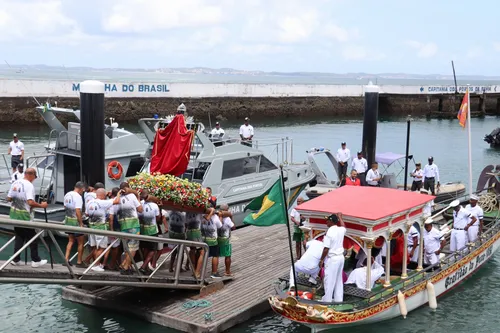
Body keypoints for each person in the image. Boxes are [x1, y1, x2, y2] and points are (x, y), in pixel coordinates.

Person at [7, 168, 48, 267]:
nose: (35, 179)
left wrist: (17, 199)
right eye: (35, 176)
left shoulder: (15, 183)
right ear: (31, 175)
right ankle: (36, 260)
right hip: (24, 215)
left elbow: (8, 198)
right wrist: (41, 206)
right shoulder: (29, 185)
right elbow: (30, 202)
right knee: (32, 237)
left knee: (19, 236)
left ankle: (16, 259)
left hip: (14, 214)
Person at [85, 188, 120, 272]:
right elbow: (116, 201)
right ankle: (97, 265)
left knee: (95, 247)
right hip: (100, 227)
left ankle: (93, 263)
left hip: (92, 227)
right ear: (103, 195)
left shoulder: (90, 202)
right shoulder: (102, 202)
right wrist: (119, 193)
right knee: (101, 248)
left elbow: (86, 213)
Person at [116, 182, 143, 275]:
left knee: (127, 248)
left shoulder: (118, 198)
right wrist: (138, 199)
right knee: (133, 248)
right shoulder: (132, 196)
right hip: (133, 225)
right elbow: (140, 209)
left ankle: (124, 264)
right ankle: (126, 266)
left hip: (123, 226)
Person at [319, 213, 346, 303]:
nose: (326, 222)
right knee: (338, 280)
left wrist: (321, 259)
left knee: (329, 281)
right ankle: (338, 300)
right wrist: (340, 218)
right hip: (340, 258)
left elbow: (326, 248)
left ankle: (327, 301)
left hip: (333, 259)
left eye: (328, 220)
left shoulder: (330, 231)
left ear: (331, 221)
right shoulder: (340, 230)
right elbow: (343, 226)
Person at [63, 181, 86, 268]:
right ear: (80, 189)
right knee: (81, 242)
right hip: (75, 221)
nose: (82, 192)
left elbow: (65, 207)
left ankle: (66, 259)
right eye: (82, 190)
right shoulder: (78, 197)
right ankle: (79, 262)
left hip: (68, 220)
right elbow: (78, 210)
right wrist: (81, 223)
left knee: (71, 240)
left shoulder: (67, 194)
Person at [138, 189, 161, 274]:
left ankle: (146, 267)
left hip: (143, 230)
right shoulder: (154, 205)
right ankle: (144, 266)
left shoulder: (140, 204)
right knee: (153, 249)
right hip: (152, 231)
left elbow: (139, 216)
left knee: (145, 249)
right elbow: (158, 218)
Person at [201, 208, 222, 278]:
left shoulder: (202, 215)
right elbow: (220, 226)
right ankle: (214, 273)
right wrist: (220, 217)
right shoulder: (215, 217)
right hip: (213, 240)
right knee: (215, 256)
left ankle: (198, 272)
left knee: (202, 256)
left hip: (204, 239)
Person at [217, 204, 235, 276]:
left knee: (216, 255)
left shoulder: (217, 217)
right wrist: (231, 217)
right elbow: (233, 227)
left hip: (218, 238)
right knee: (227, 256)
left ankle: (215, 271)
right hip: (225, 239)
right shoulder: (227, 219)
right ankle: (227, 271)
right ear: (227, 210)